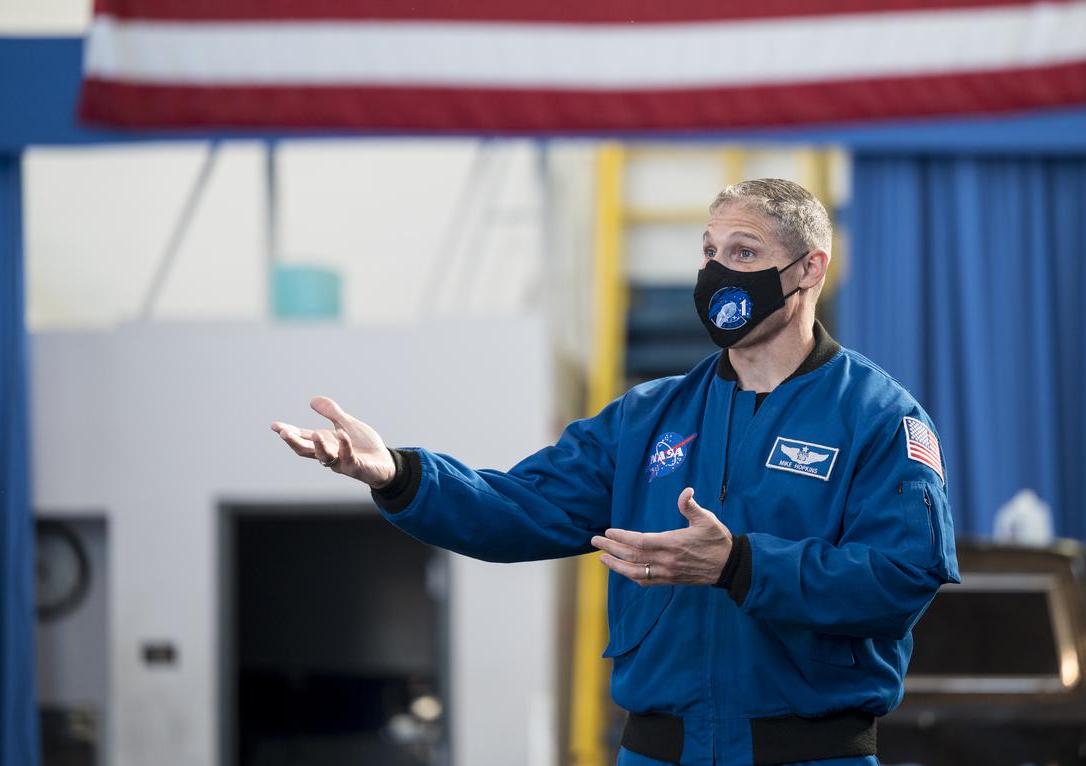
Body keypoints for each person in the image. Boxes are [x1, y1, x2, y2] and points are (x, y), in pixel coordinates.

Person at [271, 178, 960, 766]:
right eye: (710, 253)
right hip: (655, 751)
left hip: (812, 753)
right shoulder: (646, 418)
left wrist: (740, 565)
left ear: (809, 269)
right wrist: (396, 473)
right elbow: (518, 507)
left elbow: (901, 578)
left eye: (744, 253)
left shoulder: (878, 417)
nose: (719, 273)